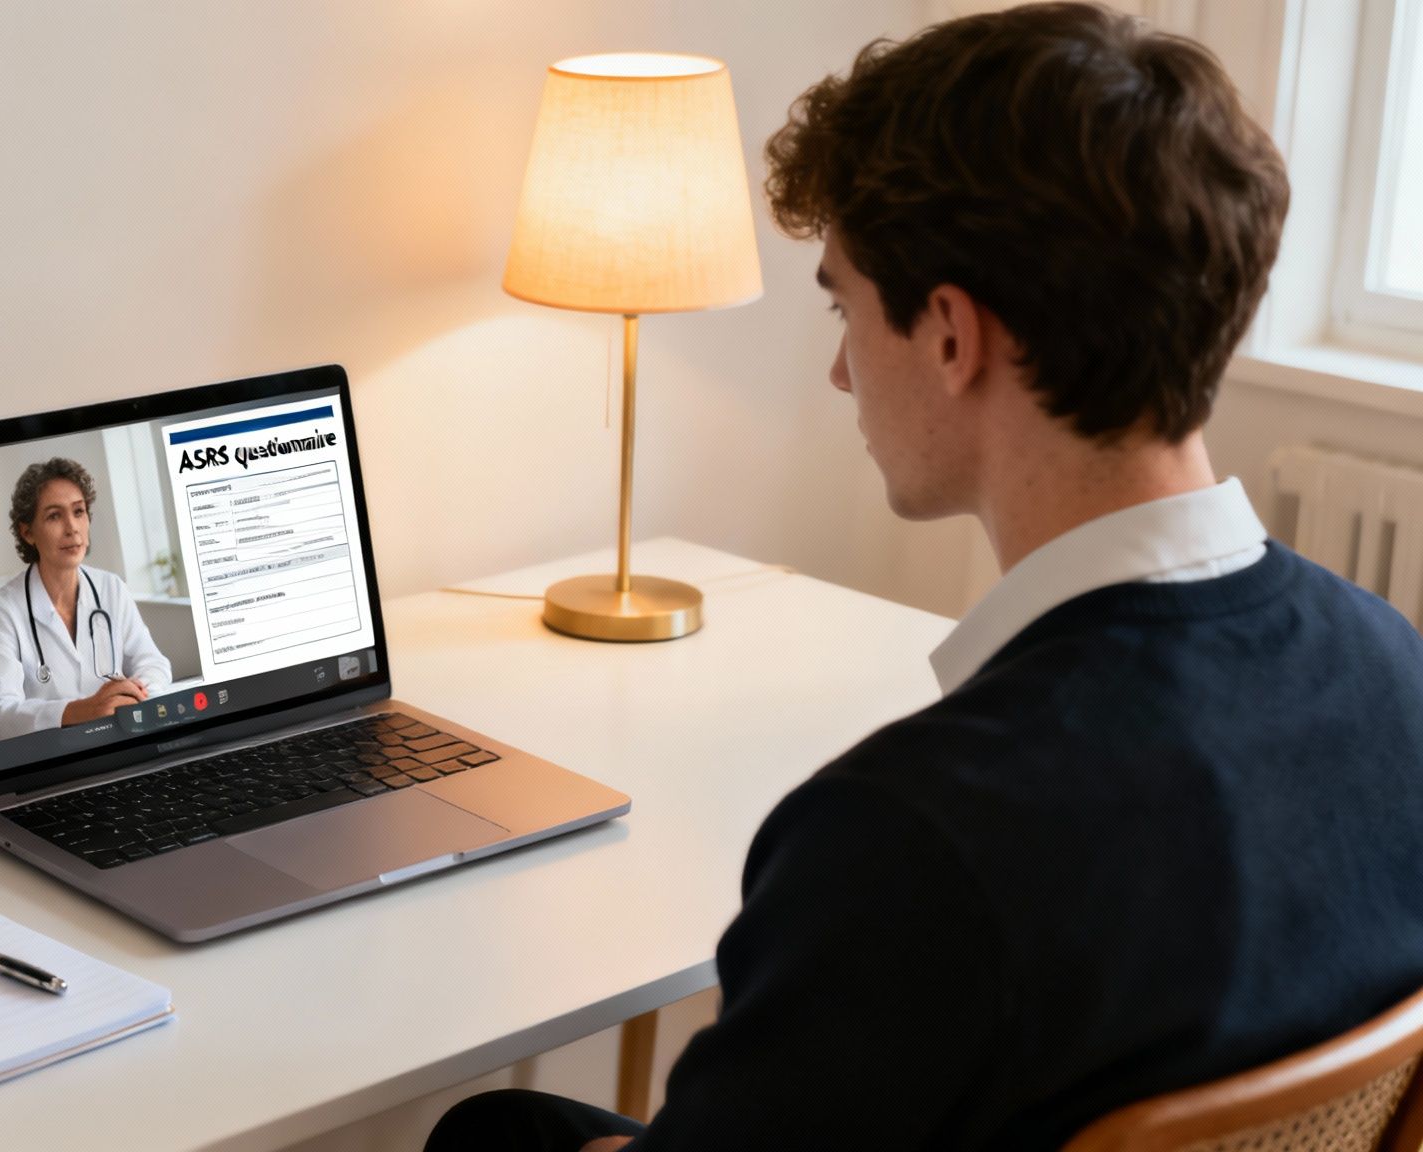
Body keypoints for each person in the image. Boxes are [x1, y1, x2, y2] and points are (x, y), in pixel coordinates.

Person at [428, 4, 1423, 1150]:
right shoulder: (1391, 667)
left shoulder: (912, 838)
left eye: (844, 304)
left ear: (950, 335)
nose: (842, 370)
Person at [0, 457, 171, 740]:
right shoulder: (4, 609)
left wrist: (130, 697)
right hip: (54, 757)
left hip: (120, 739)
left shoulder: (111, 588)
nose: (72, 528)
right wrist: (83, 710)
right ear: (27, 532)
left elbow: (154, 665)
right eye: (54, 516)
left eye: (79, 512)